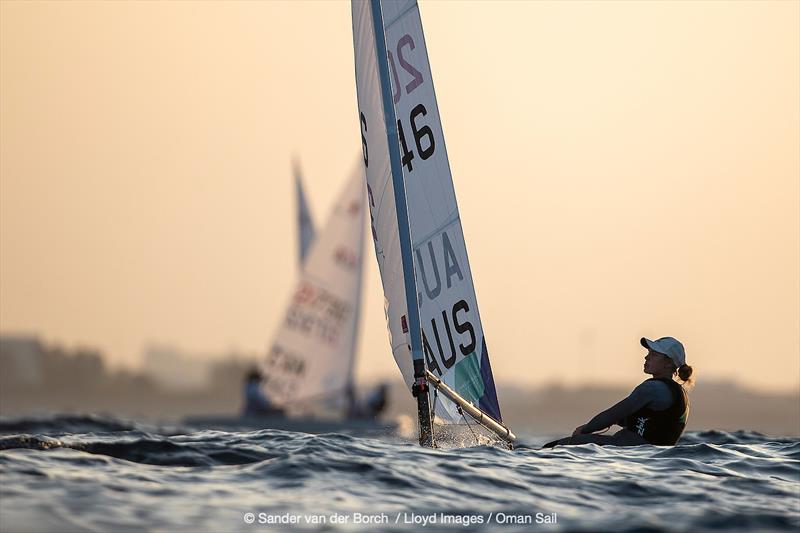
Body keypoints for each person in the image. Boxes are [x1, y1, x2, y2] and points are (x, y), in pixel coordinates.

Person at [543, 336, 694, 448]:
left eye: (653, 355)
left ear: (669, 363)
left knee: (555, 447)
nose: (646, 357)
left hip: (628, 452)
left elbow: (612, 415)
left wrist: (585, 429)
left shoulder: (652, 389)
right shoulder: (682, 394)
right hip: (647, 457)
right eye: (648, 352)